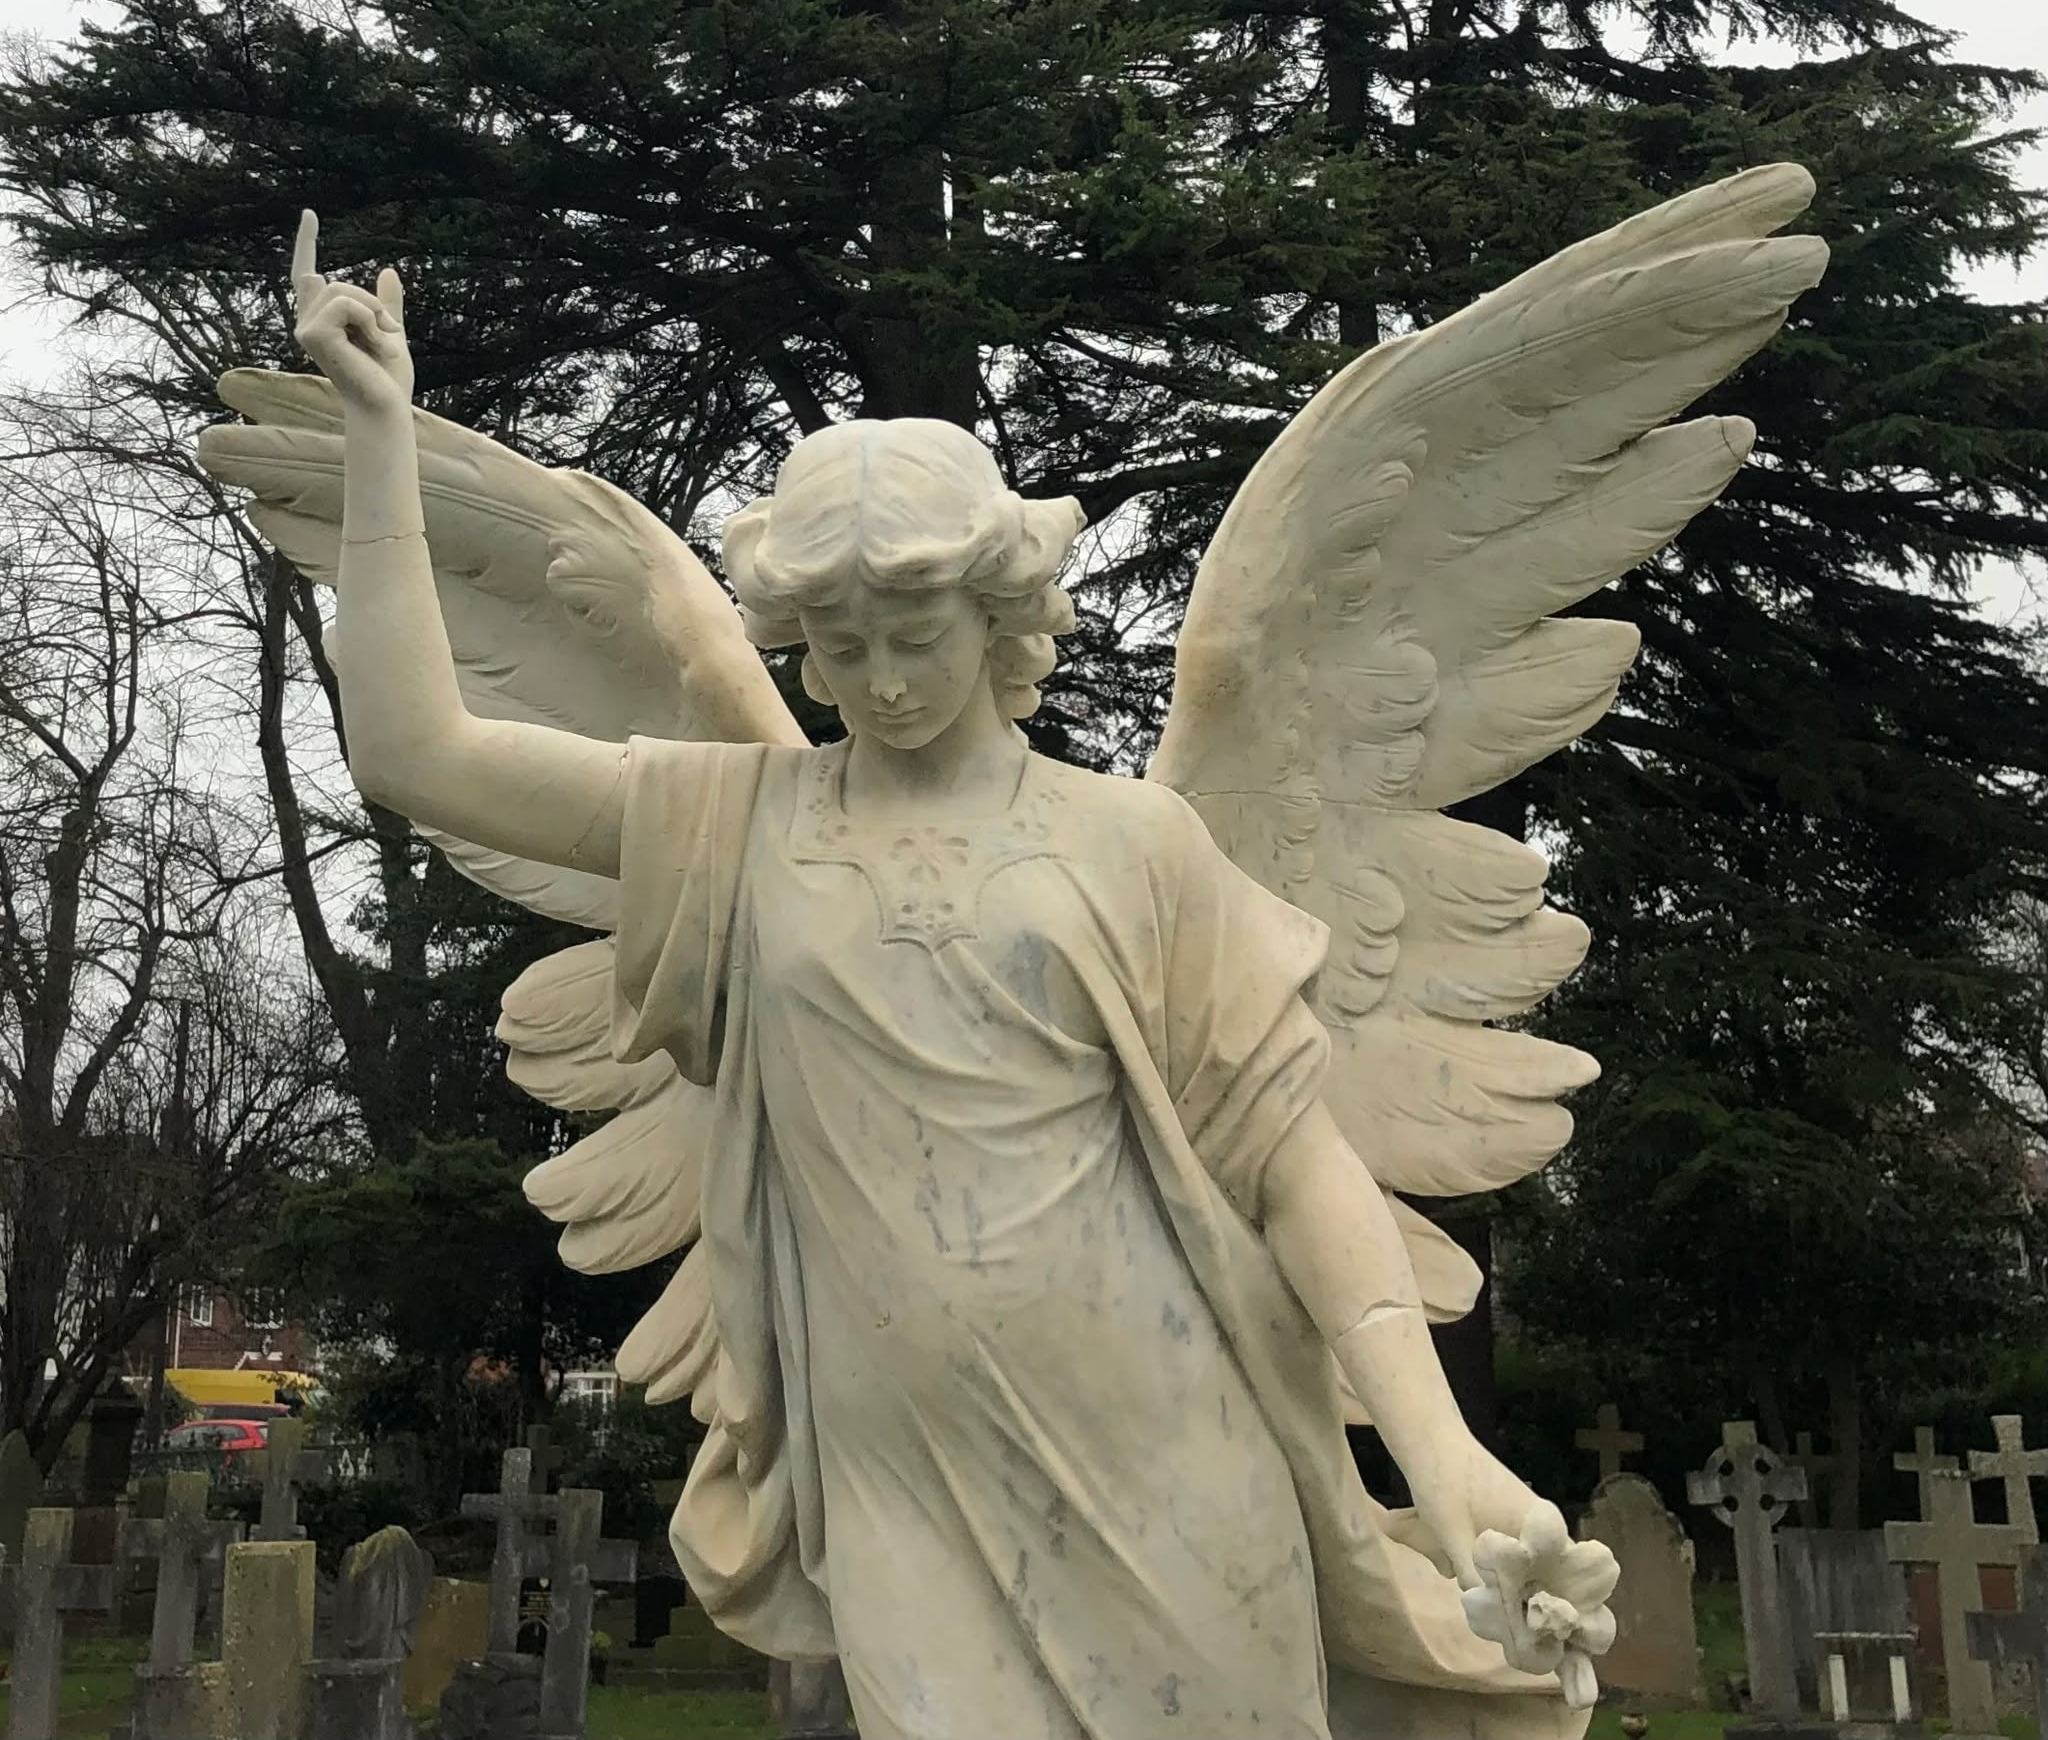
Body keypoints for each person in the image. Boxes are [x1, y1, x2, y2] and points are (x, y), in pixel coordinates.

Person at [289, 211, 1597, 1739]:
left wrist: (1444, 1459)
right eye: (839, 644)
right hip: (903, 1474)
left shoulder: (1129, 843)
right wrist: (380, 439)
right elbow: (418, 752)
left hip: (1169, 1447)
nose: (883, 678)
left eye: (914, 630)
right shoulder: (736, 823)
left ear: (995, 608)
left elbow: (1298, 1162)